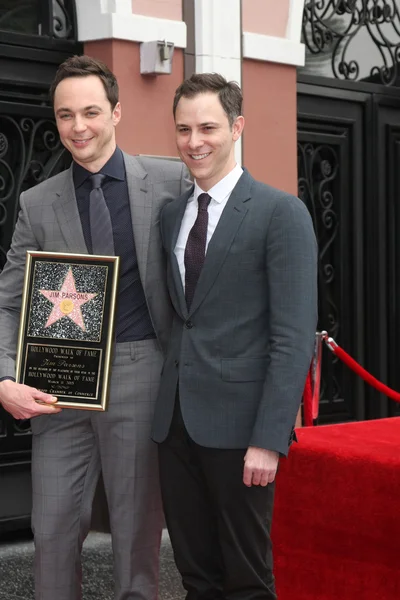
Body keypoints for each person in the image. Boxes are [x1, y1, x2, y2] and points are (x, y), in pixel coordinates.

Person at [0, 55, 189, 600]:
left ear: (116, 112)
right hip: (57, 381)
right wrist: (5, 377)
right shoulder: (37, 202)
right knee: (52, 529)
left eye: (89, 112)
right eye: (65, 115)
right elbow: (8, 300)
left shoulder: (170, 180)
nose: (77, 127)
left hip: (140, 371)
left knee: (136, 535)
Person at [151, 73, 318, 600]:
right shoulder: (171, 215)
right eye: (183, 129)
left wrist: (269, 440)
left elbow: (292, 338)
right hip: (174, 427)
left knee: (247, 579)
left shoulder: (280, 212)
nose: (194, 141)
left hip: (243, 432)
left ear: (236, 127)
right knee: (196, 575)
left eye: (208, 127)